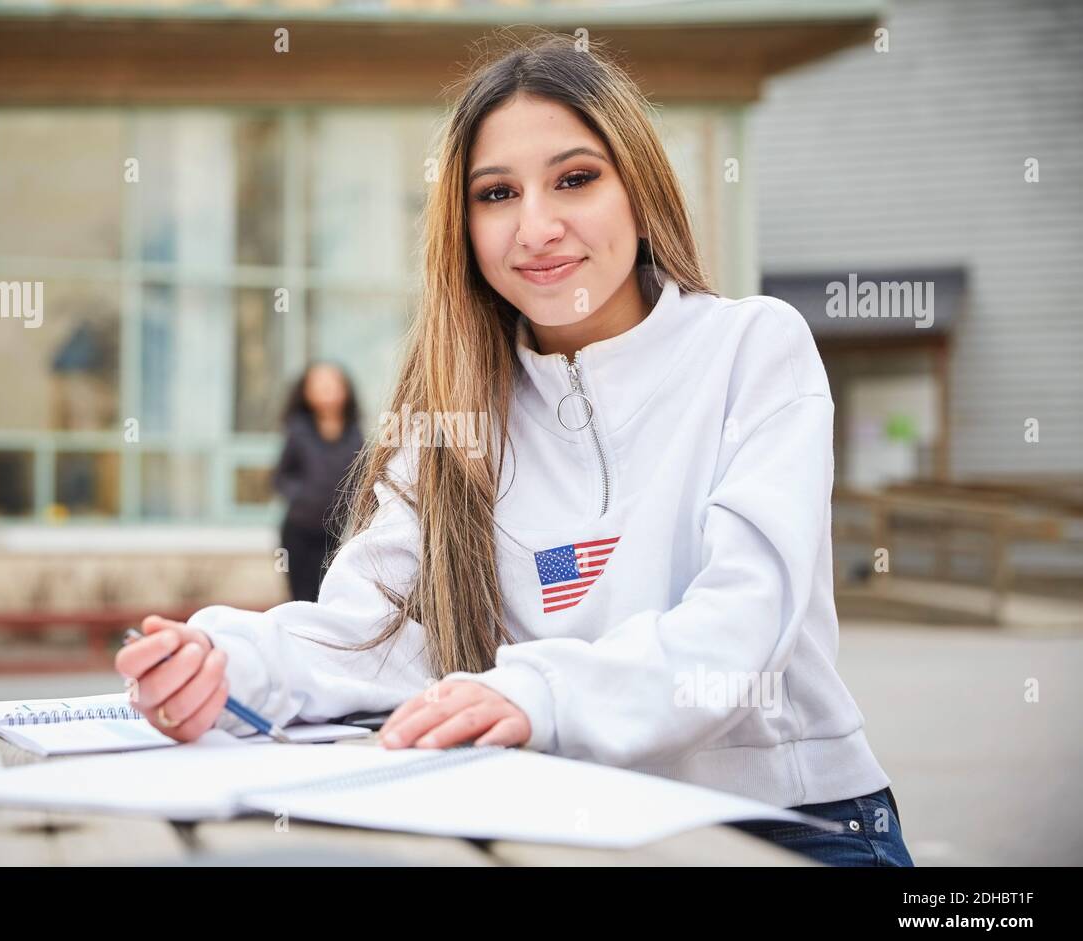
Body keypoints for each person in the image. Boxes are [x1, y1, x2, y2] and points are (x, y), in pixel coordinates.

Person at [116, 32, 914, 867]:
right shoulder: (457, 413)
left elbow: (746, 620)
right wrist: (224, 663)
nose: (536, 227)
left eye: (575, 178)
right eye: (496, 193)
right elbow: (368, 631)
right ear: (461, 226)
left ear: (638, 188)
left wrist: (539, 692)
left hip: (787, 820)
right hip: (562, 822)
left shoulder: (753, 348)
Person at [272, 363, 365, 602]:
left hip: (334, 533)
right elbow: (281, 477)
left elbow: (361, 480)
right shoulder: (297, 431)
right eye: (319, 384)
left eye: (332, 384)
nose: (326, 390)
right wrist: (303, 496)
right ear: (306, 392)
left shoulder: (356, 436)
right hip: (297, 532)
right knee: (299, 598)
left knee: (327, 596)